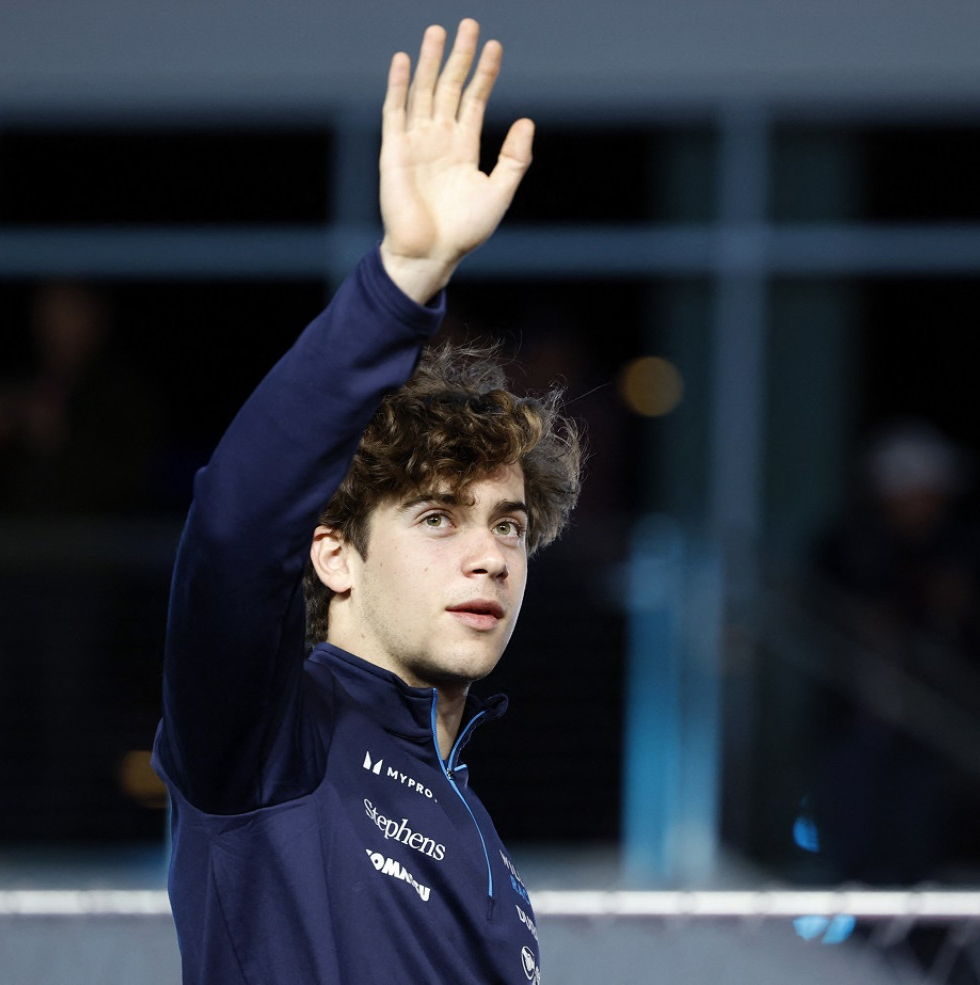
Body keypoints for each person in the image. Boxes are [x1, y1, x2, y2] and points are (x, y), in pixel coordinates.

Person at [152, 20, 582, 985]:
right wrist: (403, 284)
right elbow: (232, 526)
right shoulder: (270, 738)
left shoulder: (483, 839)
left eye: (507, 524)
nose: (491, 557)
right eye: (437, 518)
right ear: (334, 553)